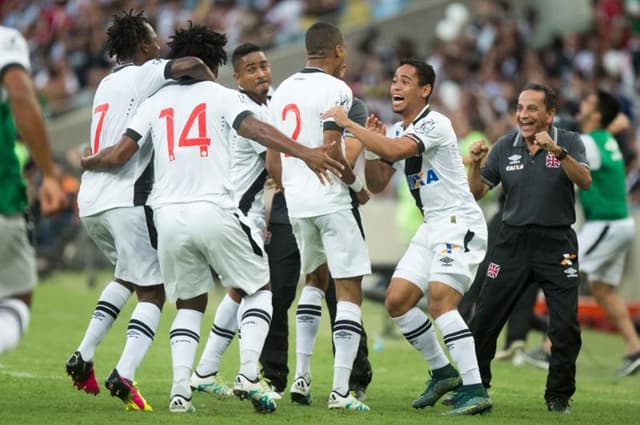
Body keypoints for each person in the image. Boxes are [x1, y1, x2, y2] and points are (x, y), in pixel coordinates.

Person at [80, 23, 343, 414]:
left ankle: (180, 392)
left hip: (167, 218)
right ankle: (250, 373)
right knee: (259, 288)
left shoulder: (154, 103)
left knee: (189, 302)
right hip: (214, 209)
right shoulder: (220, 97)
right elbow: (255, 127)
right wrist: (305, 152)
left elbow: (120, 153)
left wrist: (88, 161)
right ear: (215, 61)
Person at [64, 10, 216, 411]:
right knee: (154, 289)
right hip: (124, 196)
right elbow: (195, 64)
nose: (159, 45)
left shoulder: (105, 83)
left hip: (92, 199)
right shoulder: (147, 72)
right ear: (145, 46)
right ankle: (125, 372)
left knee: (127, 276)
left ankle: (83, 352)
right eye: (154, 40)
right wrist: (213, 93)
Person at [324, 58, 491, 416]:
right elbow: (377, 182)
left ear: (425, 90)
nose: (395, 87)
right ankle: (443, 371)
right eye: (394, 80)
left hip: (458, 222)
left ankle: (475, 388)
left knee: (440, 302)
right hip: (431, 225)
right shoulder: (398, 132)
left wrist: (349, 124)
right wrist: (370, 145)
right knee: (397, 301)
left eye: (404, 81)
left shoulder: (435, 123)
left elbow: (398, 151)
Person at [466, 82, 592, 413]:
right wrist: (475, 164)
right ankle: (477, 389)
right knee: (485, 318)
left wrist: (558, 152)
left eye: (532, 108)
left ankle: (558, 396)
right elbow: (477, 192)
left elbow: (585, 180)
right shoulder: (504, 145)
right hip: (512, 242)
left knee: (564, 325)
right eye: (520, 108)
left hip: (557, 243)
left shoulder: (570, 142)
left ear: (550, 114)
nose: (523, 114)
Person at [268, 22, 371, 412]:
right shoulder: (337, 90)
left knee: (313, 280)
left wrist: (290, 188)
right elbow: (332, 150)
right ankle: (341, 391)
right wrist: (352, 182)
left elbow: (272, 155)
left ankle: (301, 377)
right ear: (339, 50)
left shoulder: (283, 90)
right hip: (329, 200)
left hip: (296, 203)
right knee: (348, 289)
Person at [523, 90, 640, 377]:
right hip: (619, 224)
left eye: (588, 102)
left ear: (597, 115)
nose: (582, 103)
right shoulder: (604, 138)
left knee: (565, 275)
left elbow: (571, 159)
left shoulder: (587, 142)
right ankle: (634, 347)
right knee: (602, 290)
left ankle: (550, 347)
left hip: (606, 224)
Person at [190, 42, 275, 399]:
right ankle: (248, 376)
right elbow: (275, 163)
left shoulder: (259, 106)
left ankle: (205, 372)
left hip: (237, 210)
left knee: (239, 291)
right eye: (251, 69)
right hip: (238, 213)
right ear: (237, 78)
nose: (261, 73)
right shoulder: (246, 111)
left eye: (264, 66)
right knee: (261, 290)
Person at [0, 25, 66, 355]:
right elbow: (20, 89)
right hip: (2, 199)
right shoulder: (6, 39)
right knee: (17, 299)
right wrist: (50, 175)